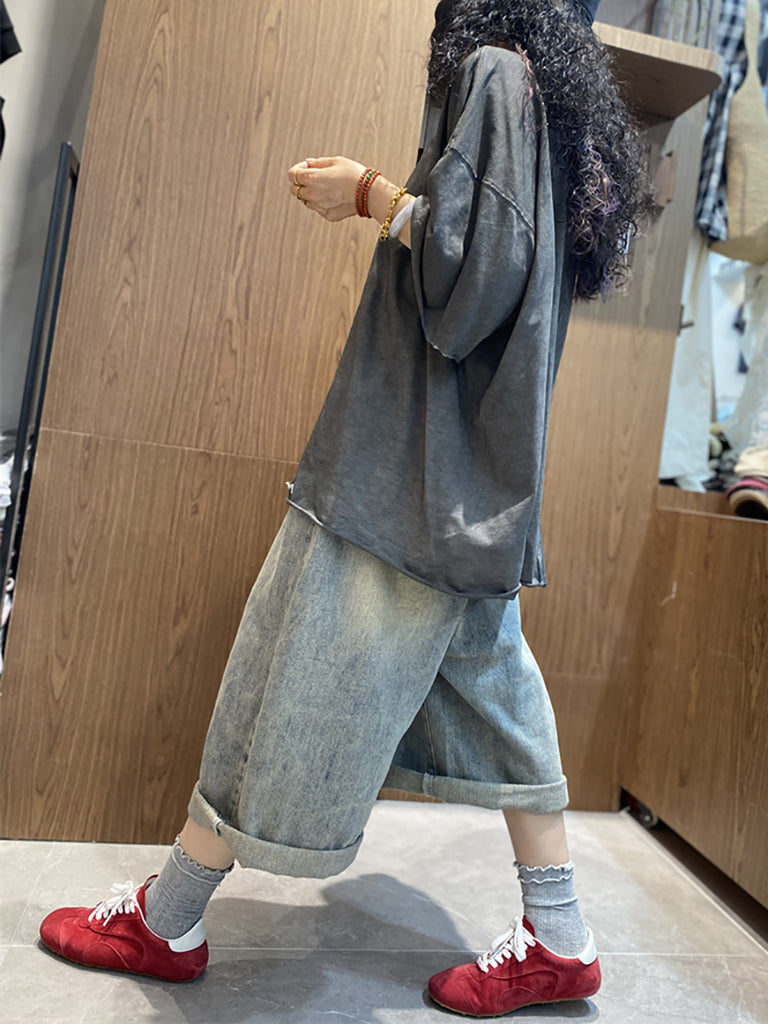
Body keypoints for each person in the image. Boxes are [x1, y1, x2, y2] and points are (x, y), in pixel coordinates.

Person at [39, 0, 654, 1016]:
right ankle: (560, 935)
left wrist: (367, 192)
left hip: (405, 476)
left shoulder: (495, 72)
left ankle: (170, 916)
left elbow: (477, 278)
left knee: (285, 669)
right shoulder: (542, 86)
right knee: (503, 707)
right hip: (471, 490)